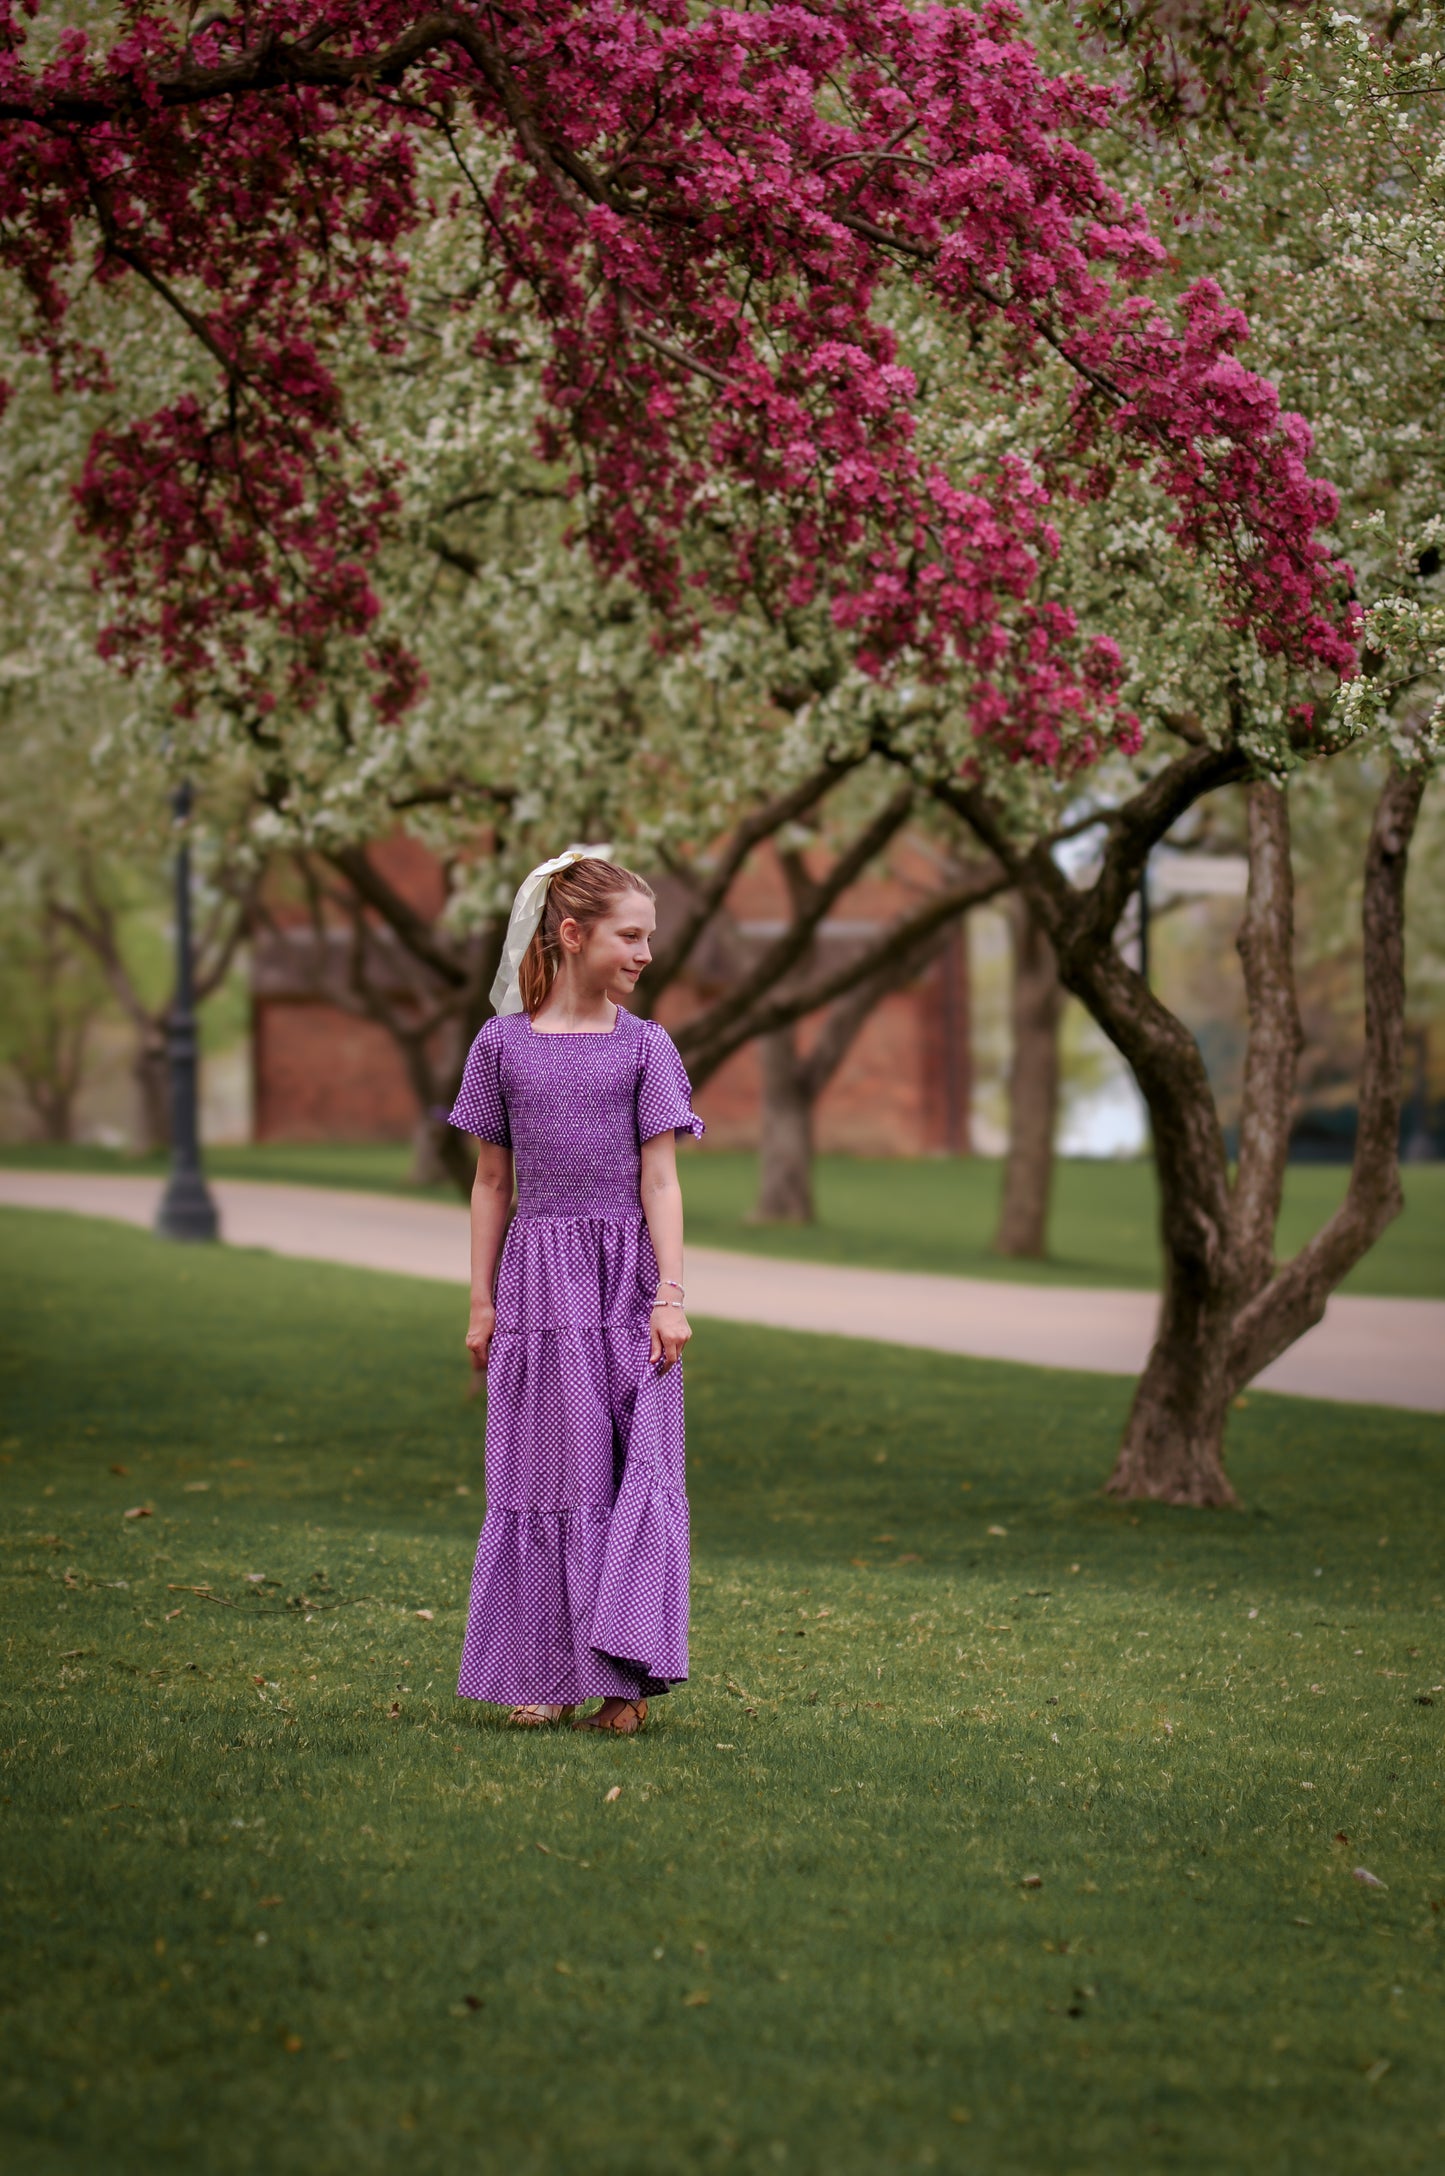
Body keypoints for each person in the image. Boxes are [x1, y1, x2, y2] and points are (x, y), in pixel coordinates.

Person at [450, 848, 703, 1735]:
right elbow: (490, 1183)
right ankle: (544, 1670)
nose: (643, 953)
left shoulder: (646, 1047)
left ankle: (624, 1685)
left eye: (648, 938)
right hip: (537, 1287)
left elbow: (661, 1181)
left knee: (635, 1476)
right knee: (547, 1477)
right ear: (570, 934)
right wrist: (482, 1302)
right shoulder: (500, 1047)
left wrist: (668, 1294)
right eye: (629, 936)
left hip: (626, 1284)